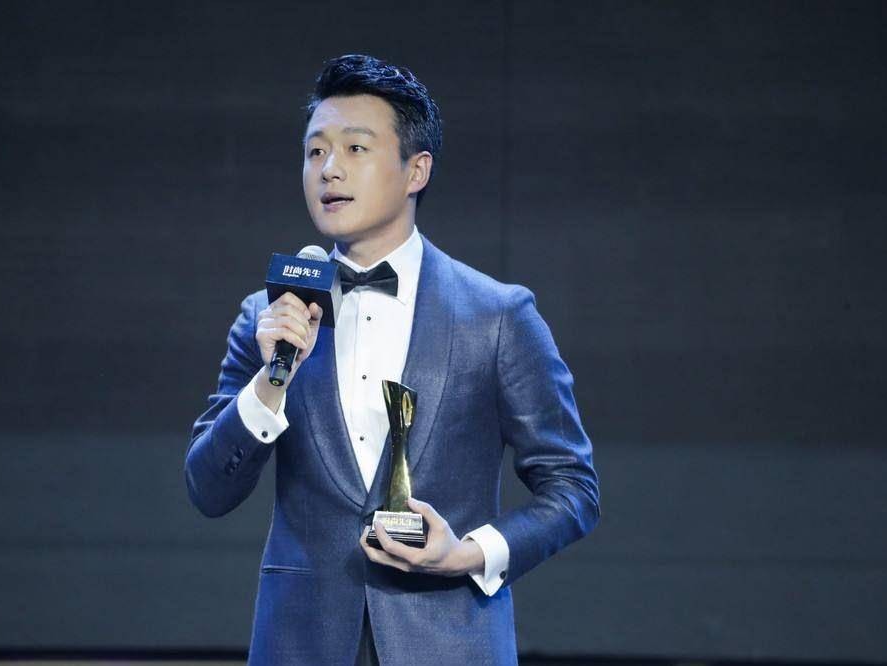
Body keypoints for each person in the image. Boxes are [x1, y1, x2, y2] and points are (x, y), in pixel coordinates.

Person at [185, 54, 598, 665]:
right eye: (315, 151)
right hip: (301, 644)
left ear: (416, 170)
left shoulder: (497, 316)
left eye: (355, 149)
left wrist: (467, 553)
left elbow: (572, 489)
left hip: (450, 643)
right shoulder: (268, 318)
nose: (329, 169)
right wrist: (271, 382)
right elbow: (208, 489)